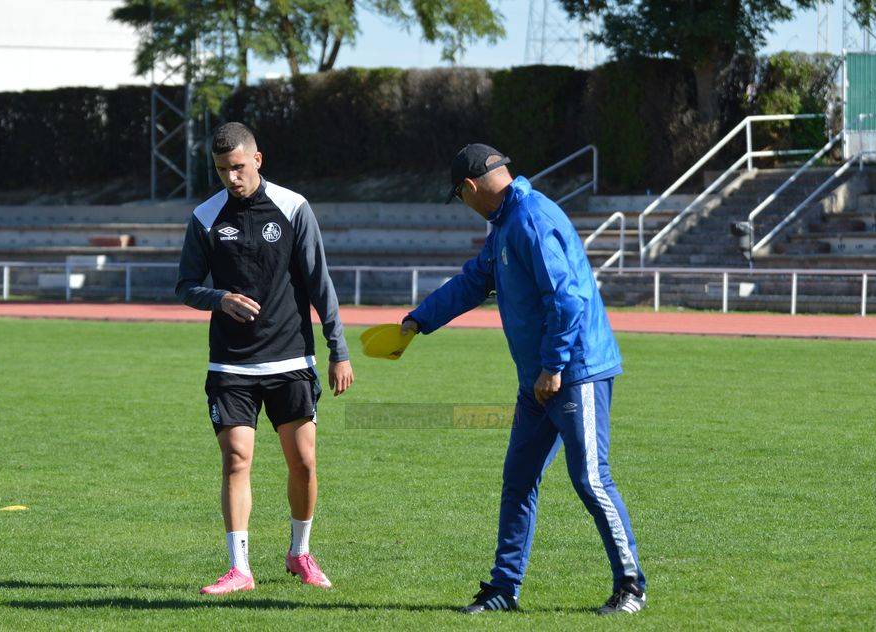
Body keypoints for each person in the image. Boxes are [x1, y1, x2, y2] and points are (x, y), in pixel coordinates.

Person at [402, 144, 647, 615]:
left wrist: (553, 367)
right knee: (518, 480)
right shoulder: (505, 224)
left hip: (574, 372)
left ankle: (631, 586)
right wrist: (419, 319)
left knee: (591, 479)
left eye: (460, 197)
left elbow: (567, 299)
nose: (464, 205)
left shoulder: (531, 218)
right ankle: (503, 589)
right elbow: (475, 281)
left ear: (469, 187)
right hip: (538, 381)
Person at [176, 122, 353, 594]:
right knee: (236, 460)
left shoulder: (293, 207)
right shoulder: (205, 217)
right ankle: (240, 568)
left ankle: (299, 553)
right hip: (230, 364)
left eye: (237, 167)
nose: (230, 178)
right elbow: (185, 285)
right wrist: (219, 299)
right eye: (221, 170)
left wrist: (338, 349)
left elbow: (319, 282)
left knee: (304, 463)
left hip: (290, 359)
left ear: (257, 159)